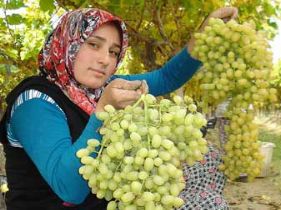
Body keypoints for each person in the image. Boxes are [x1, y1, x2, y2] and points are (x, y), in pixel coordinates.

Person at [0, 7, 237, 210]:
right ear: (67, 43)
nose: (105, 59)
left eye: (113, 52)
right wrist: (102, 113)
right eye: (93, 44)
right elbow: (69, 189)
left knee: (207, 161)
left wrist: (201, 38)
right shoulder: (33, 102)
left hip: (108, 201)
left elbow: (165, 78)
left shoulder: (101, 88)